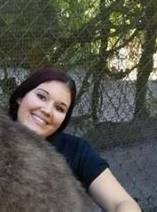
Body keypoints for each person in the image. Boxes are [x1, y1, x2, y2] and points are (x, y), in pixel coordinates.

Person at [9, 67, 141, 212]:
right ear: (21, 97)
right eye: (41, 97)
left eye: (59, 108)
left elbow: (122, 202)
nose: (47, 111)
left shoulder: (76, 150)